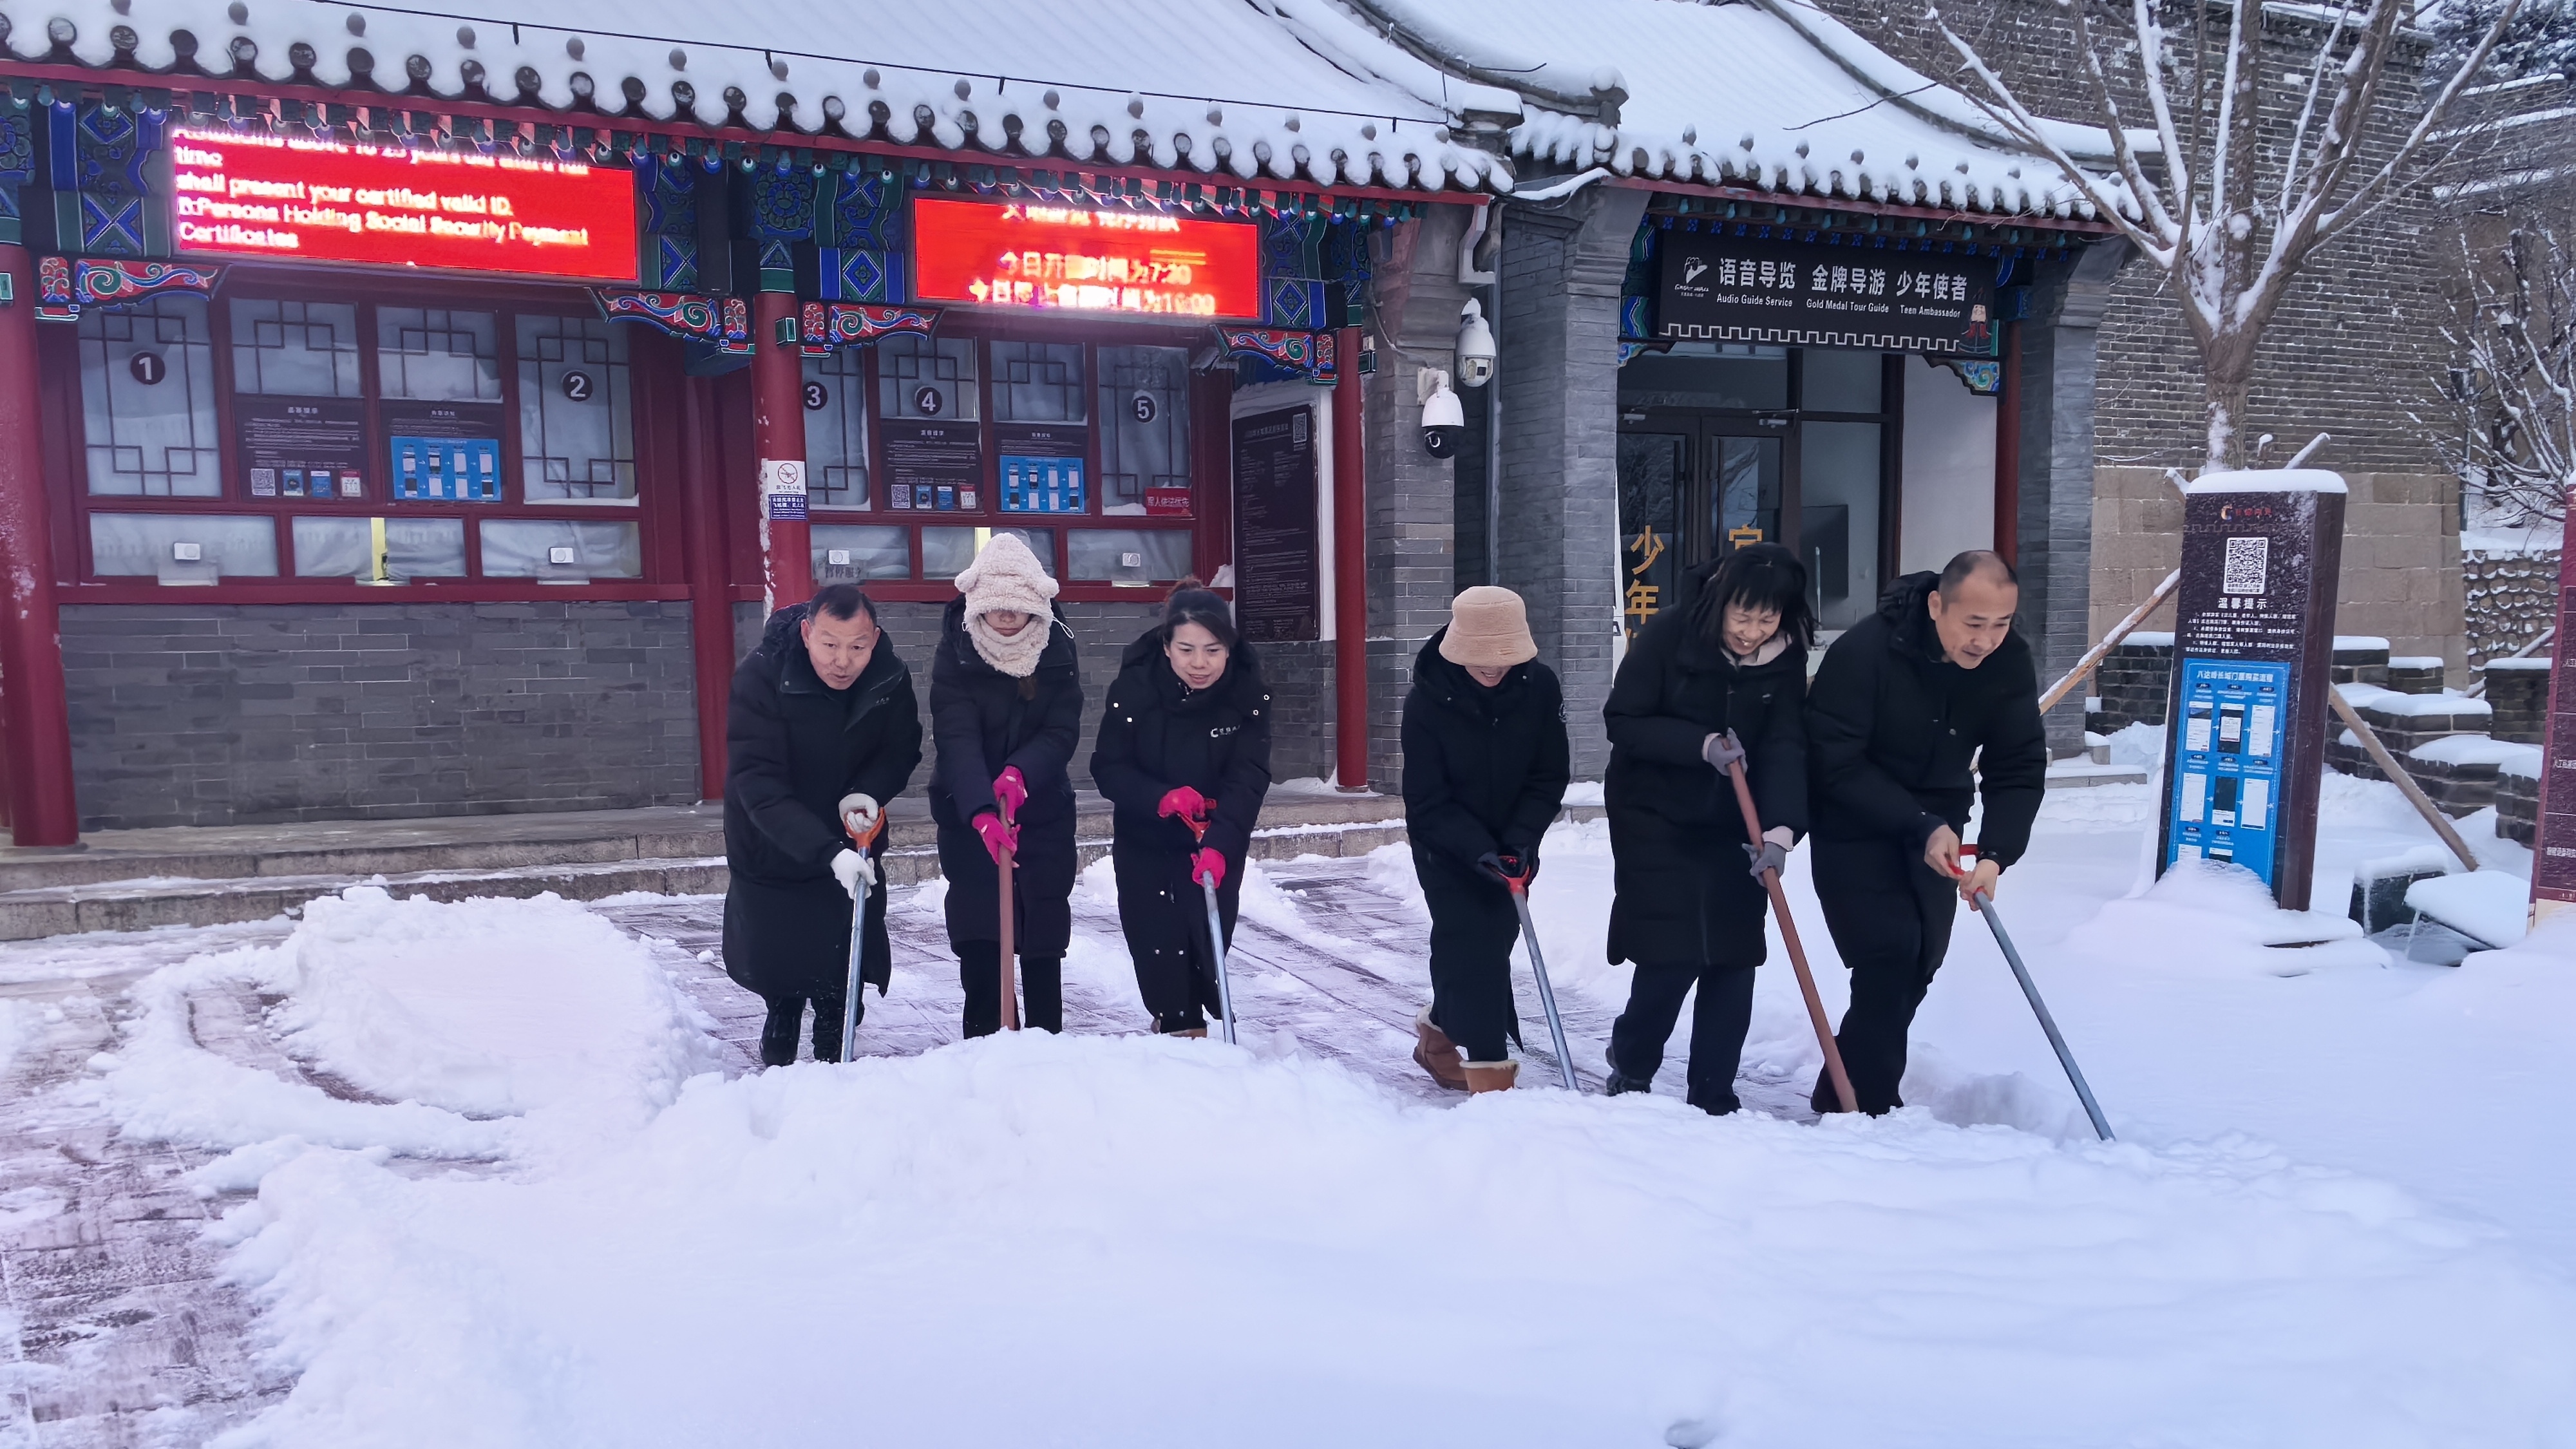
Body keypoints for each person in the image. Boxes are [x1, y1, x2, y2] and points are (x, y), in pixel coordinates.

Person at [1805, 550, 2047, 1114]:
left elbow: (2018, 764)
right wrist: (1919, 824)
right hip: (1853, 818)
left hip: (1940, 818)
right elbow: (1833, 760)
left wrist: (1995, 855)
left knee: (1922, 960)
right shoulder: (1866, 653)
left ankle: (1843, 1089)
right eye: (1973, 623)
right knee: (1889, 953)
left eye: (2001, 624)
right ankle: (1865, 1108)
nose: (1985, 640)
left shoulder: (2007, 663)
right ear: (1938, 604)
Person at [1600, 544, 1812, 1115]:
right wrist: (1698, 745)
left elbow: (1788, 743)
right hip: (1655, 814)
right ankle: (1634, 1064)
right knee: (1671, 952)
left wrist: (1782, 831)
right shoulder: (1671, 635)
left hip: (1735, 823)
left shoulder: (1787, 656)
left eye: (1766, 618)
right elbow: (1624, 720)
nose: (1752, 630)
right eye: (1742, 616)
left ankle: (1714, 1091)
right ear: (1720, 603)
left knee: (1733, 956)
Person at [722, 583, 922, 1067]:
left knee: (843, 945)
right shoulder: (762, 675)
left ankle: (836, 1033)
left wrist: (868, 792)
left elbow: (901, 750)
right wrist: (825, 851)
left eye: (856, 647)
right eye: (829, 645)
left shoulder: (889, 677)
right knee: (782, 951)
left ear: (873, 639)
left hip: (850, 830)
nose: (842, 661)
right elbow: (758, 780)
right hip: (773, 837)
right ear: (808, 633)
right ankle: (782, 1016)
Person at [1401, 587, 1572, 1094]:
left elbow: (1548, 775)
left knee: (1493, 941)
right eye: (1481, 660)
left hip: (1513, 845)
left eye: (1504, 659)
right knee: (1474, 947)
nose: (1493, 669)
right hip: (1446, 845)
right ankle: (1491, 1078)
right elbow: (1428, 799)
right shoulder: (1428, 699)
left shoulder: (1539, 688)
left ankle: (1435, 1033)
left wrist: (1519, 841)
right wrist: (1478, 849)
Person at [1090, 582, 1274, 1036]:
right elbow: (1108, 767)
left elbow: (1248, 777)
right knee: (1157, 938)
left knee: (1206, 937)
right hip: (1145, 835)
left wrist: (1221, 843)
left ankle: (1193, 1017)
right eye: (1187, 648)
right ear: (1167, 646)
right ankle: (1178, 1027)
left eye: (1212, 650)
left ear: (1229, 649)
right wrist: (1161, 797)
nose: (1199, 663)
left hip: (1212, 835)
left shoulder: (1247, 693)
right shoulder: (1135, 688)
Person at [929, 532, 1084, 1037]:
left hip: (1042, 813)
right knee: (980, 932)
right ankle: (985, 1042)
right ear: (977, 605)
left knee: (1041, 930)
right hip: (967, 812)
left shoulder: (1057, 649)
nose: (1008, 618)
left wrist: (1021, 774)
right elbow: (955, 736)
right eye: (997, 608)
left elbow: (1061, 729)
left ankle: (1045, 1040)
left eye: (1018, 608)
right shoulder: (956, 651)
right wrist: (979, 810)